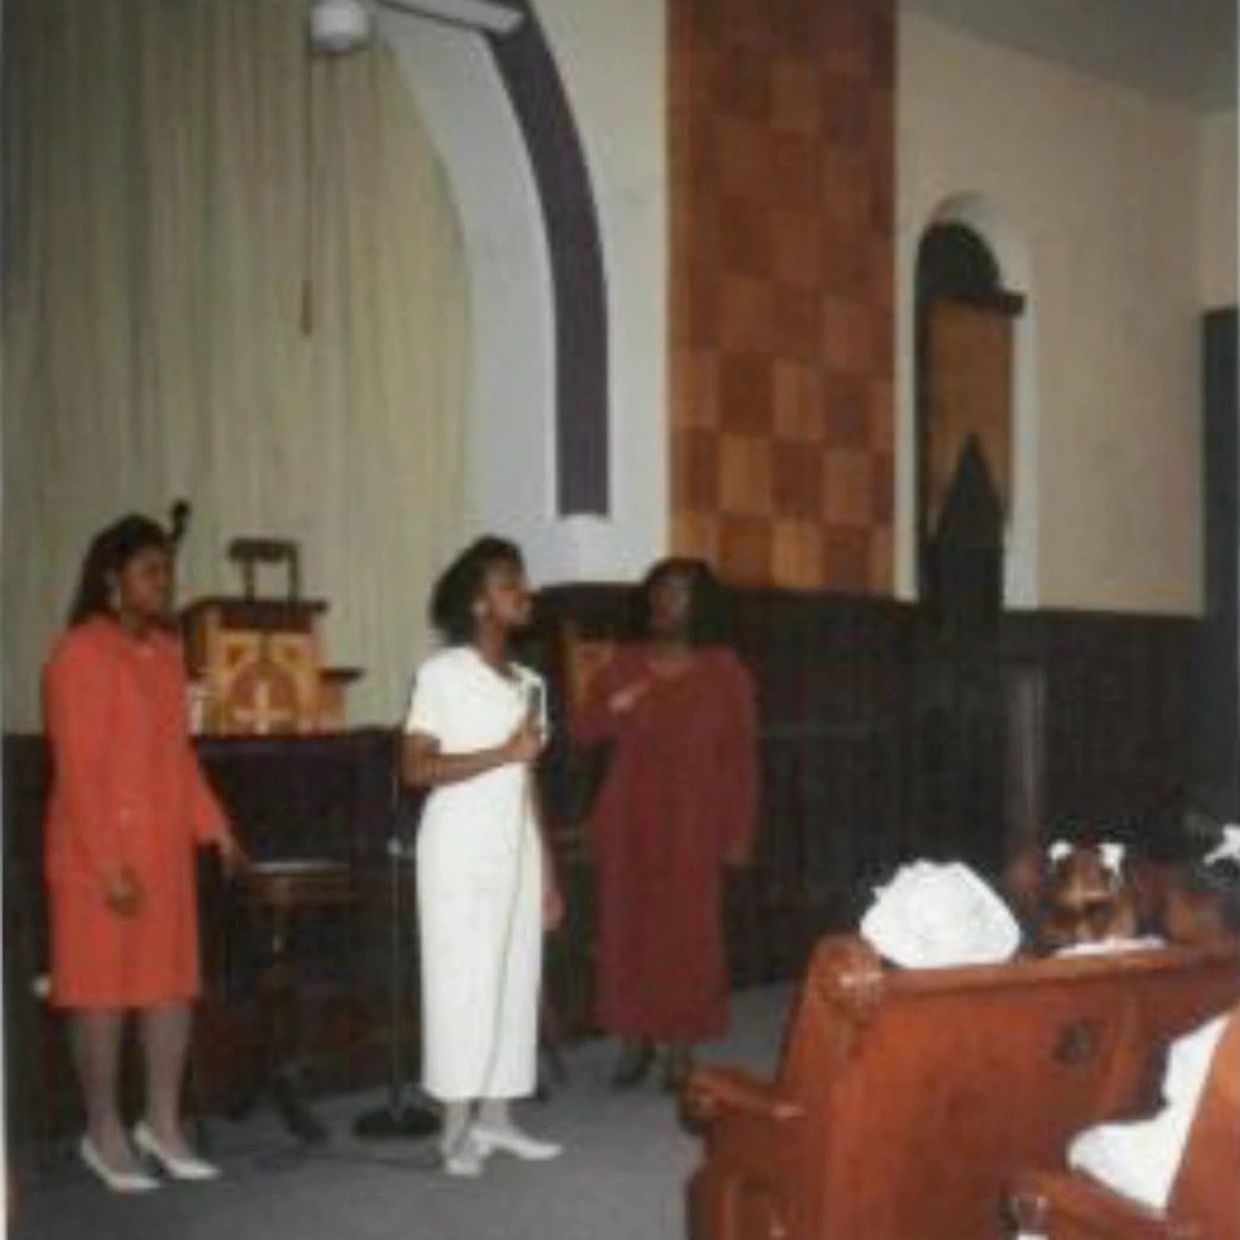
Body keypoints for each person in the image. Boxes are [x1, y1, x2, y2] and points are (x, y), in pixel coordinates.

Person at [43, 515, 246, 1193]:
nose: (165, 582)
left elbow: (176, 757)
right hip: (93, 854)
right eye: (150, 571)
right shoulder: (77, 653)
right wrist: (107, 866)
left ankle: (161, 1123)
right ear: (112, 580)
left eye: (166, 570)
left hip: (161, 847)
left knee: (168, 990)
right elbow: (78, 772)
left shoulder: (164, 655)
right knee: (100, 995)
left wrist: (215, 828)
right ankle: (102, 1130)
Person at [403, 536, 564, 1177]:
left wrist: (547, 869)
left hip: (516, 846)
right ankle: (454, 1130)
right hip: (456, 848)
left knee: (515, 978)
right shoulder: (442, 674)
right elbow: (415, 769)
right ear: (476, 602)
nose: (523, 592)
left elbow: (529, 784)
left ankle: (496, 1119)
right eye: (507, 583)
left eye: (522, 581)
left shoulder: (531, 683)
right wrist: (503, 751)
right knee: (461, 984)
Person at [572, 558, 757, 1091]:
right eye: (658, 591)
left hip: (695, 821)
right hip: (628, 818)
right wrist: (615, 704)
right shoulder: (623, 663)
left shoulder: (725, 671)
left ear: (701, 604)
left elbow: (741, 759)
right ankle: (634, 1041)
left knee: (688, 934)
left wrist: (738, 834)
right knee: (628, 930)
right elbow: (583, 732)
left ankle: (680, 1046)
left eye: (678, 592)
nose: (664, 601)